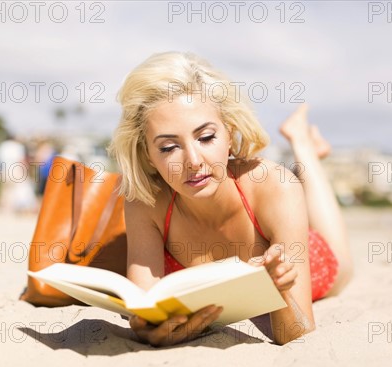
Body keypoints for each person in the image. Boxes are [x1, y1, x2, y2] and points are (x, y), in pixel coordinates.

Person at [108, 52, 353, 347]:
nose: (194, 161)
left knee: (342, 263)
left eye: (206, 137)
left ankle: (302, 143)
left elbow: (298, 332)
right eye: (170, 147)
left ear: (230, 131)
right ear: (147, 152)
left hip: (315, 262)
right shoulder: (146, 202)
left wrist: (278, 290)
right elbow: (144, 311)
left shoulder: (274, 185)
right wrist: (147, 330)